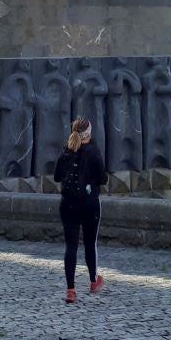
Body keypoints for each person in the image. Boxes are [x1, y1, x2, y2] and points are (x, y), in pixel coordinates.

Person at [54, 117, 107, 303]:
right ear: (89, 133)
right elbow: (103, 178)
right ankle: (93, 281)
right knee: (90, 243)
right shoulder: (93, 152)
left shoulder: (66, 151)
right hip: (89, 203)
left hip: (67, 203)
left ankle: (70, 290)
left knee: (71, 246)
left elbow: (57, 176)